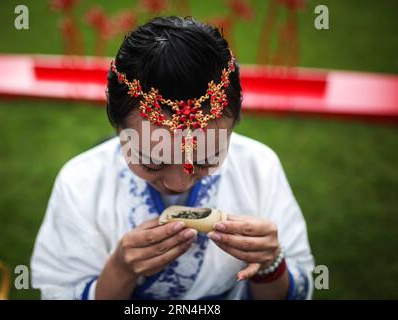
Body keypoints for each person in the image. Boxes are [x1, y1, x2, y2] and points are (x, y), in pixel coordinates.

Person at [31, 16, 314, 300]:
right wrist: (119, 271)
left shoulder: (259, 169)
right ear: (118, 128)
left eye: (206, 159)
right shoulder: (81, 184)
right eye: (152, 162)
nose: (179, 184)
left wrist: (270, 263)